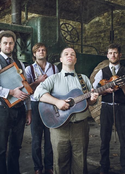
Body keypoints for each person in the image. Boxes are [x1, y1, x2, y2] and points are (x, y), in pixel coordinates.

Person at [34, 47, 99, 174]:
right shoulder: (53, 78)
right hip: (59, 128)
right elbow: (38, 93)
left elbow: (89, 102)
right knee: (60, 163)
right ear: (61, 59)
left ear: (75, 60)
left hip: (80, 127)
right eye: (66, 54)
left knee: (80, 163)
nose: (69, 56)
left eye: (72, 54)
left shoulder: (84, 79)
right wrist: (57, 102)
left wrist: (92, 99)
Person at [93, 43, 125, 174]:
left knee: (124, 140)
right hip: (106, 108)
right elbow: (95, 91)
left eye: (115, 53)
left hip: (121, 108)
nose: (113, 55)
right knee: (104, 139)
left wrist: (123, 87)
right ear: (107, 55)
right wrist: (105, 91)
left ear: (120, 55)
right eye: (110, 53)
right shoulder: (102, 72)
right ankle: (104, 166)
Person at [0, 30, 32, 174]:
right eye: (5, 43)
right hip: (2, 111)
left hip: (19, 110)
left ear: (14, 45)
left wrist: (29, 110)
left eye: (11, 43)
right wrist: (11, 92)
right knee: (1, 147)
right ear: (0, 44)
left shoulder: (19, 63)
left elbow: (26, 87)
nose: (8, 46)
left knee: (16, 146)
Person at [25, 43, 59, 174]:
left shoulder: (54, 68)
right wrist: (38, 81)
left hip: (50, 105)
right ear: (34, 54)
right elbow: (27, 91)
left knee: (50, 137)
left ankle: (49, 166)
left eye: (43, 50)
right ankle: (38, 168)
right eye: (38, 50)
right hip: (35, 104)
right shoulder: (29, 69)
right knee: (36, 138)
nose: (41, 52)